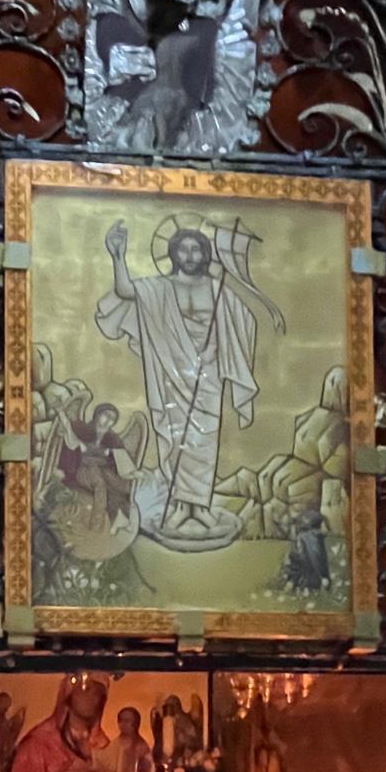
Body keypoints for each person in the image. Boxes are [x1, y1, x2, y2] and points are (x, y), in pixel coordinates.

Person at [96, 221, 264, 550]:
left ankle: (199, 508)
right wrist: (118, 255)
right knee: (173, 437)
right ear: (173, 253)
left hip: (208, 375)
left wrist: (219, 344)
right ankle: (176, 507)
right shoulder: (161, 287)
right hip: (173, 374)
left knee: (203, 441)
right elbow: (126, 290)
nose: (190, 255)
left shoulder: (218, 291)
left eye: (196, 249)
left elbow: (244, 321)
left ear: (205, 254)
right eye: (184, 249)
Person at [56, 402, 136, 534]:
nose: (108, 420)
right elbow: (67, 429)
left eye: (112, 419)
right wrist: (61, 413)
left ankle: (121, 518)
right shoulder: (83, 429)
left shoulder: (112, 438)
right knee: (100, 484)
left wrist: (110, 453)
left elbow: (121, 457)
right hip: (83, 470)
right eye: (106, 415)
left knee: (121, 485)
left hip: (103, 470)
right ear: (97, 415)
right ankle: (96, 527)